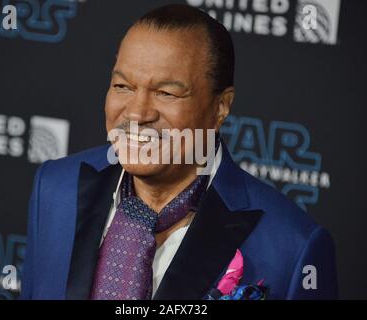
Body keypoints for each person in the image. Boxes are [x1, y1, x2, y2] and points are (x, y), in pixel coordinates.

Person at [21, 4, 337, 300]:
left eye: (166, 93)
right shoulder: (54, 188)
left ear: (221, 107)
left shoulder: (292, 248)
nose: (137, 113)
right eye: (123, 87)